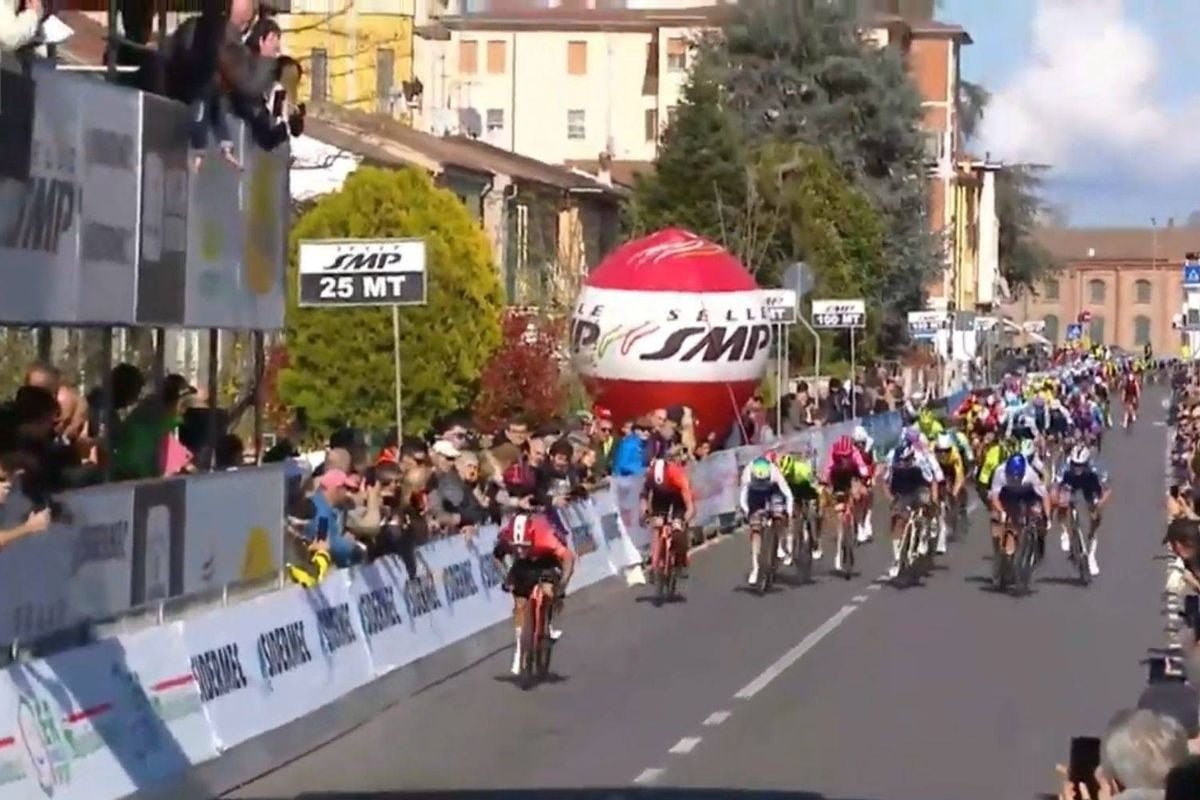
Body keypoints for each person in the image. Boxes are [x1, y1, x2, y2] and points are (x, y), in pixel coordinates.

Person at [492, 512, 576, 676]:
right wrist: (506, 576)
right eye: (517, 546)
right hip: (524, 564)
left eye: (524, 545)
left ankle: (549, 621)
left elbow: (568, 558)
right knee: (519, 604)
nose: (520, 550)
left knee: (548, 590)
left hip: (548, 559)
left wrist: (563, 584)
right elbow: (496, 557)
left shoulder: (546, 537)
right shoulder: (507, 538)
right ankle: (520, 646)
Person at [880, 440, 939, 577]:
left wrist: (932, 501)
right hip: (901, 490)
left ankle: (924, 532)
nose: (904, 463)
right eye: (902, 461)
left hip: (919, 486)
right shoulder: (893, 465)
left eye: (907, 460)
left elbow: (931, 482)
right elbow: (885, 485)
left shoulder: (921, 463)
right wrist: (892, 501)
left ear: (912, 457)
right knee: (898, 519)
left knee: (925, 501)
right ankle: (897, 558)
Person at [1053, 444, 1110, 577]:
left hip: (1089, 485)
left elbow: (1107, 491)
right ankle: (1065, 532)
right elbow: (1056, 487)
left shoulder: (1095, 468)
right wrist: (1057, 498)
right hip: (1071, 483)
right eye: (1075, 465)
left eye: (1081, 466)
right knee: (1063, 503)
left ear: (1087, 463)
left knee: (1096, 516)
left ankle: (1091, 555)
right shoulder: (1065, 467)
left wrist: (1099, 506)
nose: (1077, 469)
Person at [988, 453, 1051, 574]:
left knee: (1036, 515)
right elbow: (994, 497)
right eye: (1012, 475)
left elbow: (1044, 496)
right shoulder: (1000, 472)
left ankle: (1035, 543)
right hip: (1006, 494)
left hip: (1027, 494)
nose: (1015, 478)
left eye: (1018, 476)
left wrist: (1047, 517)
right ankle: (1003, 553)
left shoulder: (1031, 474)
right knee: (1000, 519)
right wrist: (1002, 512)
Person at [639, 446, 694, 581]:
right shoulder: (651, 475)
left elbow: (689, 506)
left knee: (678, 528)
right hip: (660, 498)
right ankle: (654, 565)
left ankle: (681, 561)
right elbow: (644, 496)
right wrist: (644, 512)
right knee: (657, 527)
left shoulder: (678, 475)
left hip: (678, 498)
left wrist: (684, 520)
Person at [738, 456, 794, 585]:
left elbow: (788, 494)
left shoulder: (774, 472)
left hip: (773, 492)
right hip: (755, 495)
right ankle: (755, 568)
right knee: (755, 529)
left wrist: (788, 512)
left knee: (778, 515)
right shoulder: (747, 474)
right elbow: (743, 499)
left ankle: (779, 545)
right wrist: (748, 513)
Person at [820, 434, 870, 571]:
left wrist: (864, 477)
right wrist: (825, 482)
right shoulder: (833, 454)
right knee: (836, 509)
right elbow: (827, 471)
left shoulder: (854, 453)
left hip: (851, 476)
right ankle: (838, 552)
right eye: (840, 456)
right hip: (838, 478)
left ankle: (860, 523)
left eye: (846, 456)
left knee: (861, 494)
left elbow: (862, 468)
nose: (843, 458)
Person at [778, 446, 822, 560]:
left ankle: (815, 543)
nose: (787, 476)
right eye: (785, 475)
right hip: (792, 490)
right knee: (789, 516)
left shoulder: (803, 470)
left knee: (812, 514)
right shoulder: (782, 474)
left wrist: (818, 493)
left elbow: (815, 486)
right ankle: (789, 549)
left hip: (806, 487)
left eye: (788, 474)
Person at [932, 432, 965, 553]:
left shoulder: (955, 454)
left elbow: (959, 477)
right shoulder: (931, 451)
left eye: (946, 451)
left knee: (952, 495)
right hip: (936, 469)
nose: (942, 453)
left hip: (950, 470)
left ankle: (943, 536)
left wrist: (954, 493)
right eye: (939, 450)